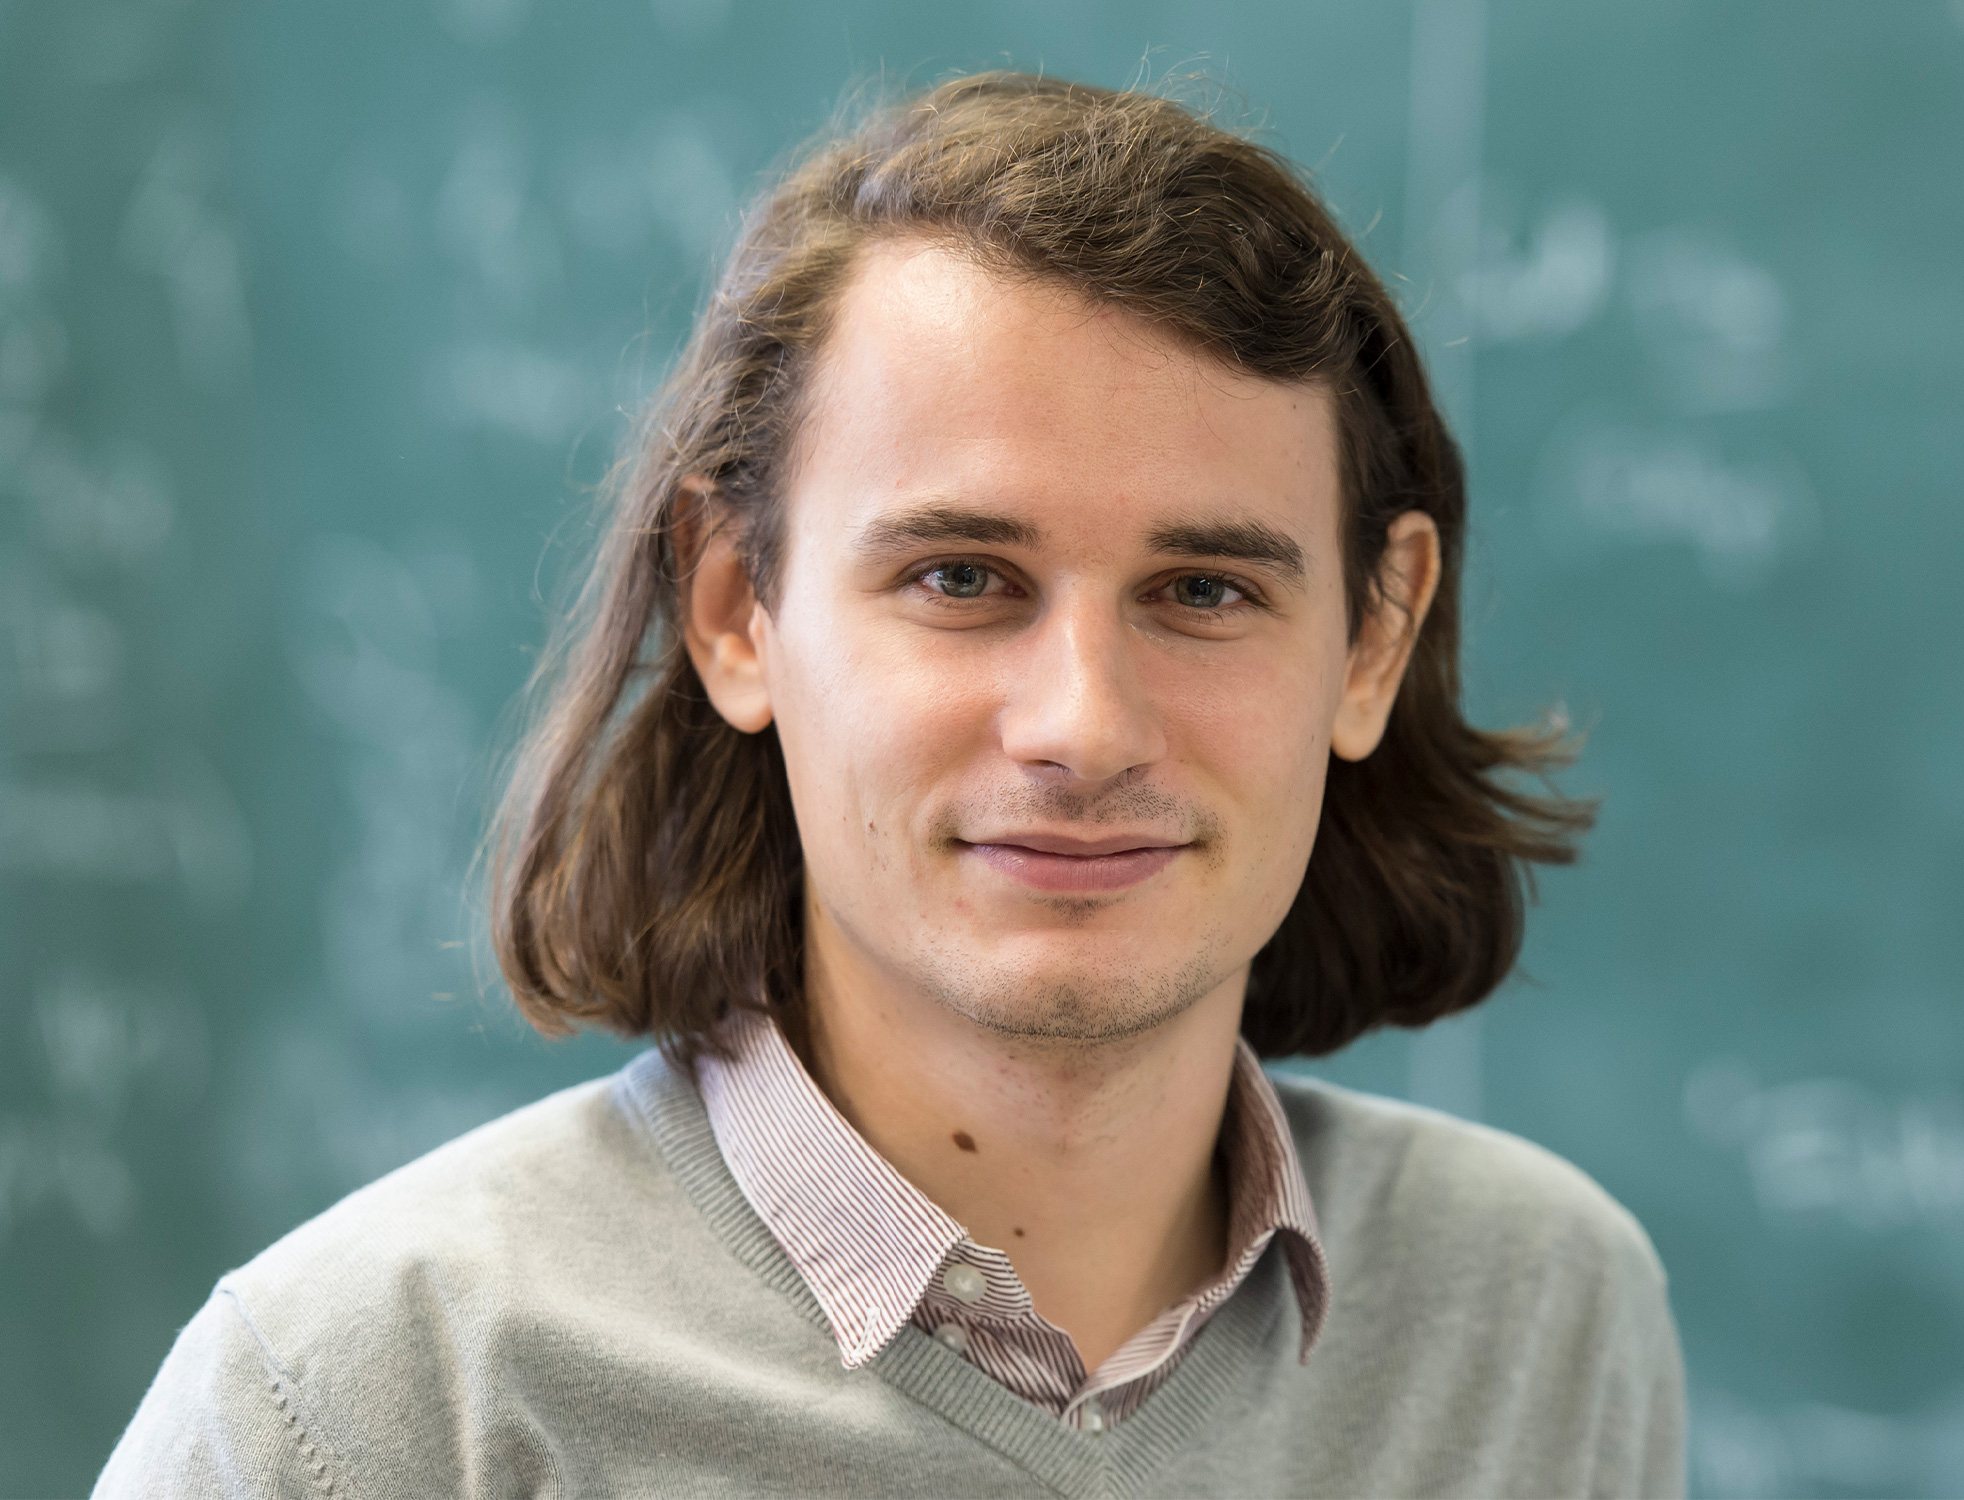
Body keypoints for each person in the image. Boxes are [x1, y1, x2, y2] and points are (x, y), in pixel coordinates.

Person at [98, 73, 1684, 1498]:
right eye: (960, 578)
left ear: (1371, 640)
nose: (1083, 726)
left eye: (1205, 591)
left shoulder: (1538, 1318)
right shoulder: (371, 1407)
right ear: (735, 610)